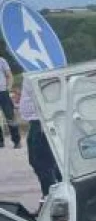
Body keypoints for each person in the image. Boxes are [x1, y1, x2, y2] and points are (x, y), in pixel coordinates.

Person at [16, 77, 61, 209]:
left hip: (41, 121)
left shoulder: (39, 66)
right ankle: (52, 195)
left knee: (44, 164)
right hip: (35, 122)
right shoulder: (29, 66)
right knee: (38, 162)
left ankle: (52, 199)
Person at [0, 55, 19, 149]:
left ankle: (17, 141)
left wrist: (8, 88)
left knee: (10, 116)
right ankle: (0, 142)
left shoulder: (1, 60)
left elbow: (9, 75)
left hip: (3, 92)